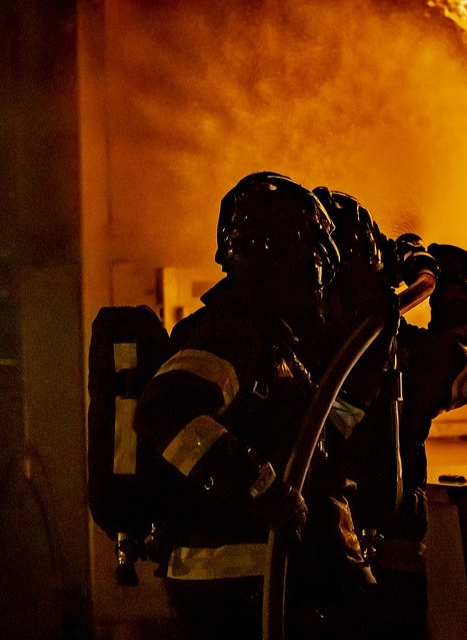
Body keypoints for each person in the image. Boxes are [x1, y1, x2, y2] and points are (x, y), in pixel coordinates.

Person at [133, 171, 385, 638]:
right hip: (235, 581)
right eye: (315, 262)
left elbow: (319, 438)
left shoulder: (272, 341)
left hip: (259, 577)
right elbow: (165, 410)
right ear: (291, 257)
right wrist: (264, 488)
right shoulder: (234, 330)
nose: (320, 283)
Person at [313, 188, 467, 638]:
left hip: (307, 562)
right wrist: (451, 288)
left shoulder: (283, 342)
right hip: (385, 561)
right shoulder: (384, 348)